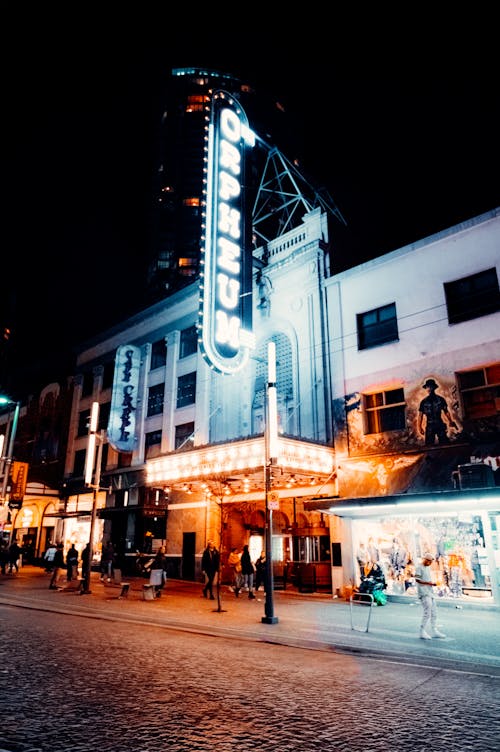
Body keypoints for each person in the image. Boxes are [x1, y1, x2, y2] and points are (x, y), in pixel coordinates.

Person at [414, 551, 446, 640]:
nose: (430, 564)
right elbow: (417, 579)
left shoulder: (427, 568)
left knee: (434, 612)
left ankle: (434, 630)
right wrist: (429, 583)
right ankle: (422, 631)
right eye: (430, 562)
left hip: (430, 592)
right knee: (427, 613)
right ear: (426, 560)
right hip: (424, 593)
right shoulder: (419, 567)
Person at [417, 378, 458, 445]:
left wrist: (450, 421)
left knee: (444, 443)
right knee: (429, 445)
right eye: (427, 387)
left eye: (431, 386)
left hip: (439, 423)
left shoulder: (441, 399)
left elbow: (446, 412)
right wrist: (419, 427)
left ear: (434, 387)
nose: (429, 388)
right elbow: (420, 415)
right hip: (429, 425)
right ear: (426, 388)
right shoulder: (423, 402)